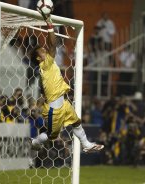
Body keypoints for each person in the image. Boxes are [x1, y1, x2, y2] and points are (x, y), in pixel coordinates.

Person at [29, 12, 104, 153]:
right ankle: (36, 141)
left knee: (76, 122)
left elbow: (51, 48)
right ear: (39, 59)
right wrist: (49, 23)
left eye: (44, 50)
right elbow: (53, 45)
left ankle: (86, 144)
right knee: (52, 136)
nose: (45, 51)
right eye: (42, 51)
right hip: (54, 109)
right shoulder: (44, 64)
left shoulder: (47, 66)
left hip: (63, 103)